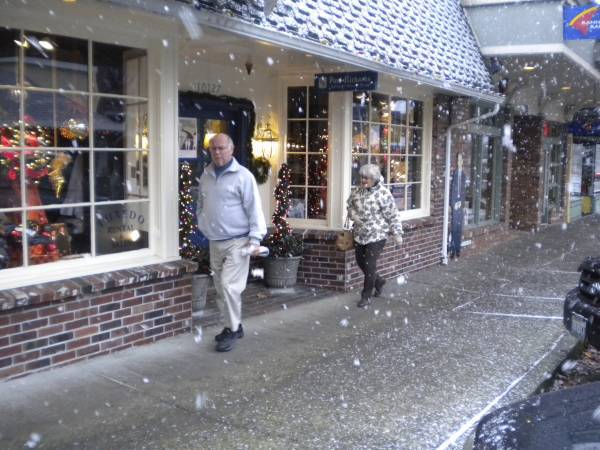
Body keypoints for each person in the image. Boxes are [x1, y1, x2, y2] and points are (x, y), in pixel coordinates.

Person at [196, 133, 267, 352]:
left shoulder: (243, 176)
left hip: (239, 241)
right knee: (220, 288)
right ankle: (232, 325)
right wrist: (203, 224)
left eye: (221, 148)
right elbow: (201, 204)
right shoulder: (206, 175)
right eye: (213, 148)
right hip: (215, 241)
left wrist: (255, 239)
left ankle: (233, 329)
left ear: (231, 150)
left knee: (229, 286)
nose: (216, 152)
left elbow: (254, 209)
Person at [346, 164, 403, 308]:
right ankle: (378, 281)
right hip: (360, 234)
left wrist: (397, 232)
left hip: (377, 235)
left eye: (367, 178)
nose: (363, 180)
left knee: (370, 264)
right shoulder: (357, 191)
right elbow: (350, 205)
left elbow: (392, 215)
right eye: (362, 177)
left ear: (374, 179)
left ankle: (366, 296)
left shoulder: (384, 194)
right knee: (361, 262)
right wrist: (353, 214)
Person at [449, 153, 466, 259]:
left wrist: (462, 204)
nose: (459, 162)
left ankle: (458, 249)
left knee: (459, 228)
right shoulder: (454, 174)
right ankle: (452, 250)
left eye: (461, 160)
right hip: (454, 203)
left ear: (462, 162)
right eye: (458, 160)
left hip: (461, 204)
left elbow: (464, 191)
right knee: (454, 228)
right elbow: (451, 190)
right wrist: (452, 204)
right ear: (456, 162)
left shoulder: (463, 175)